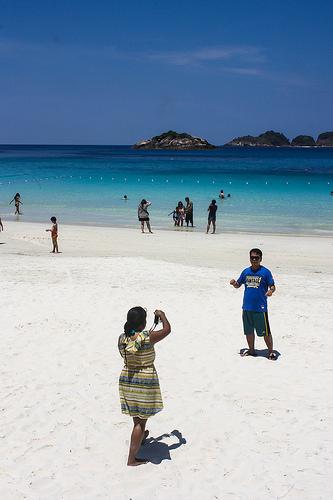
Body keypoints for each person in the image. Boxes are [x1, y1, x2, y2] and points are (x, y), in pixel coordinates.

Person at [118, 307, 171, 466]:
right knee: (141, 422)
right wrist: (162, 315)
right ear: (143, 323)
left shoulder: (122, 338)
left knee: (137, 416)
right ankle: (132, 458)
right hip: (144, 380)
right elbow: (167, 330)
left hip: (128, 378)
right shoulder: (148, 337)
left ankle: (139, 439)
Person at [230, 248, 277, 360]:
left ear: (261, 259)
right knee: (248, 330)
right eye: (252, 257)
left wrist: (271, 291)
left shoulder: (265, 272)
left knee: (265, 331)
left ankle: (270, 352)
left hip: (260, 308)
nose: (254, 259)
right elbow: (238, 285)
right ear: (249, 258)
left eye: (256, 258)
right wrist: (234, 283)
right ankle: (251, 350)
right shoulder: (246, 271)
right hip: (247, 307)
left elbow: (273, 286)